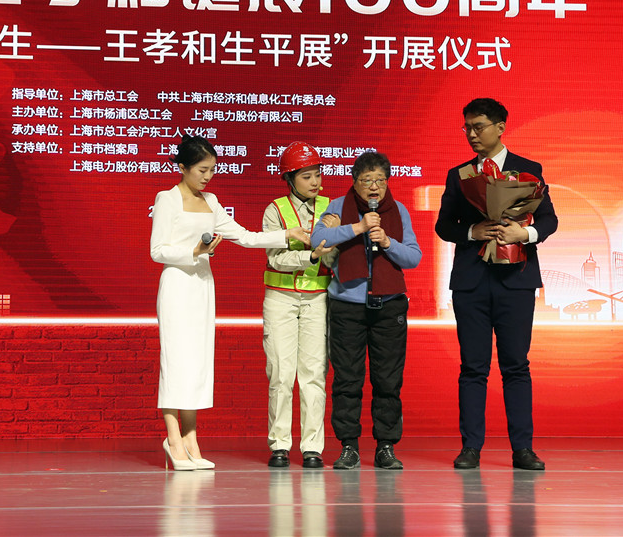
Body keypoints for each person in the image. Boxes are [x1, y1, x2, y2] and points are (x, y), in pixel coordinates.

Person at [151, 135, 310, 471]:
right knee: (175, 361)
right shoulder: (167, 199)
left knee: (197, 362)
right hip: (177, 286)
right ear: (183, 168)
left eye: (212, 170)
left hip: (202, 286)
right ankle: (173, 439)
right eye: (202, 170)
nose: (208, 177)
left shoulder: (211, 201)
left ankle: (191, 440)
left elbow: (246, 237)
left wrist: (287, 234)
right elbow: (158, 250)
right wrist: (194, 251)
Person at [435, 98, 558, 471]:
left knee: (516, 365)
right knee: (473, 367)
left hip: (516, 281)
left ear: (501, 127)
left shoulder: (529, 170)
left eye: (479, 127)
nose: (472, 135)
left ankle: (523, 449)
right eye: (467, 128)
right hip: (471, 283)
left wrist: (525, 233)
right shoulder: (459, 175)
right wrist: (471, 231)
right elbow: (444, 225)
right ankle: (471, 447)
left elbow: (549, 220)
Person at [311, 151, 422, 470]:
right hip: (347, 305)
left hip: (389, 305)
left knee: (388, 380)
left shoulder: (398, 211)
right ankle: (348, 445)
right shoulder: (337, 207)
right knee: (347, 379)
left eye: (380, 180)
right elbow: (318, 239)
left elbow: (413, 257)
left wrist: (387, 242)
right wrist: (357, 227)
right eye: (367, 180)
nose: (374, 187)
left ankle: (386, 445)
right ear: (354, 181)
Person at [261, 141, 338, 469]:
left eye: (317, 174)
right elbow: (275, 258)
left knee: (314, 373)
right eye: (307, 176)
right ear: (289, 179)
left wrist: (328, 251)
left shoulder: (332, 208)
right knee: (280, 373)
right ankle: (279, 445)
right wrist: (311, 255)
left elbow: (337, 254)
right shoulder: (275, 210)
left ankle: (312, 447)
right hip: (280, 299)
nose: (315, 182)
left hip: (317, 299)